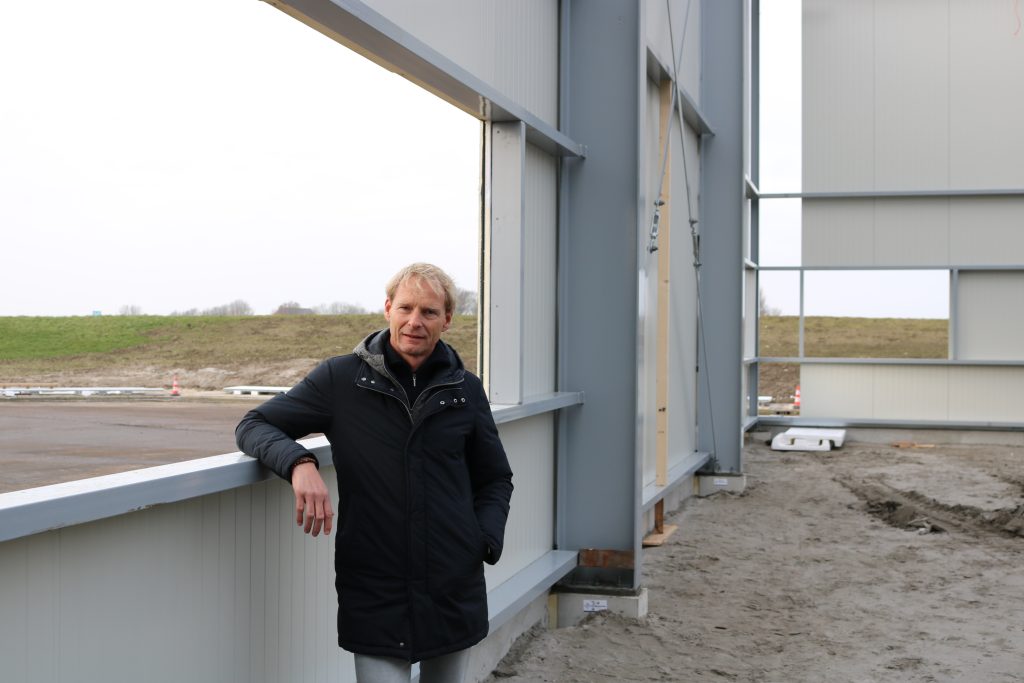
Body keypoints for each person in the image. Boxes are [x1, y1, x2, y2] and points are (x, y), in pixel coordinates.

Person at [236, 263, 513, 683]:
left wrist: (482, 540)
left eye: (429, 312)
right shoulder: (340, 379)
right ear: (387, 309)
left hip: (453, 584)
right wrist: (299, 464)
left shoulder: (466, 390)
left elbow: (495, 478)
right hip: (374, 584)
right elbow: (254, 425)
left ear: (448, 320)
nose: (414, 322)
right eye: (405, 308)